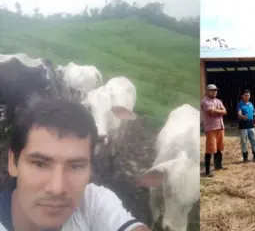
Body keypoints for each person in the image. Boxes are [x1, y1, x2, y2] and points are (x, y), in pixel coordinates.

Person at [0, 99, 149, 231]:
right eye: (39, 164)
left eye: (76, 166)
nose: (57, 189)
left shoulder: (93, 203)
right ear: (13, 162)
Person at [201, 84, 227, 177]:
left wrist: (217, 111)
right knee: (210, 149)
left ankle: (218, 166)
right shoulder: (205, 101)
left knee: (219, 148)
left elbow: (225, 111)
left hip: (220, 127)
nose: (214, 92)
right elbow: (211, 112)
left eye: (215, 90)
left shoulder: (218, 101)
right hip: (211, 128)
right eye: (212, 90)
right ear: (207, 91)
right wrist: (219, 111)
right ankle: (207, 171)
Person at [237, 89, 255, 162]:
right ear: (242, 96)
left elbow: (254, 113)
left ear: (250, 96)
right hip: (243, 126)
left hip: (251, 126)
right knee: (244, 142)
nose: (247, 97)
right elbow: (239, 113)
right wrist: (242, 116)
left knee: (254, 140)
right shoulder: (240, 104)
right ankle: (245, 158)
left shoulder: (251, 104)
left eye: (248, 95)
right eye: (245, 95)